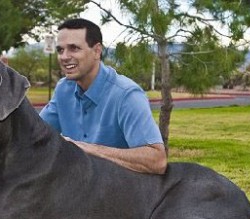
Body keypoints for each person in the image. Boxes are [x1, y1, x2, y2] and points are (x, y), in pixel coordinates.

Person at [39, 18, 167, 175]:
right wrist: (6, 84)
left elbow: (157, 160)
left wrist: (87, 149)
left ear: (97, 51)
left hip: (121, 193)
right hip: (76, 190)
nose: (64, 57)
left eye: (74, 48)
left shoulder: (127, 95)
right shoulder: (63, 89)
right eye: (60, 50)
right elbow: (34, 134)